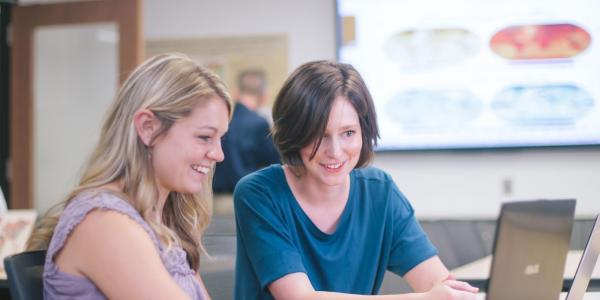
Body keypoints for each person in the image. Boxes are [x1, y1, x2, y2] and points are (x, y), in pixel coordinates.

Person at [233, 60, 479, 299]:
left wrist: (452, 294)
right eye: (319, 135)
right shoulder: (259, 193)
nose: (336, 151)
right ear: (296, 134)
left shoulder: (379, 192)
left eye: (348, 133)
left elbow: (436, 281)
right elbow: (300, 298)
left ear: (365, 132)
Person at [26, 53, 232, 299]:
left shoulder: (160, 221)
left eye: (220, 138)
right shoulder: (104, 222)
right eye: (204, 137)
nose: (219, 155)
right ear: (147, 127)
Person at [213, 69, 279, 193]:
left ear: (236, 93)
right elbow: (276, 161)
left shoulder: (222, 119)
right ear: (264, 96)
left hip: (215, 197)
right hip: (246, 194)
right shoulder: (259, 123)